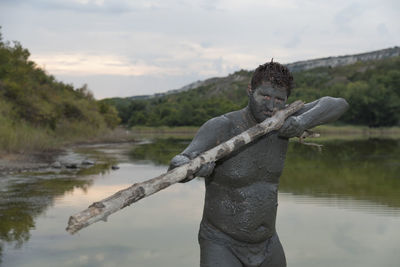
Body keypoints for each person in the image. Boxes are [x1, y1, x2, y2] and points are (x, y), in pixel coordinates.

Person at [168, 61, 349, 267]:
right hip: (222, 243)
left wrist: (303, 122)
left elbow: (338, 103)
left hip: (268, 244)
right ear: (250, 90)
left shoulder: (283, 121)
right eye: (265, 96)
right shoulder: (222, 126)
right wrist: (191, 167)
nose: (271, 106)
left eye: (279, 99)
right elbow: (180, 162)